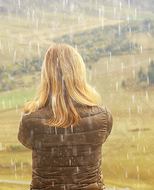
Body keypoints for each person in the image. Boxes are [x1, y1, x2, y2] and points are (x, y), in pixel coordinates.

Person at [18, 43, 113, 189]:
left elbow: (25, 141)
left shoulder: (30, 120)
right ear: (79, 73)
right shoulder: (102, 117)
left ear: (46, 75)